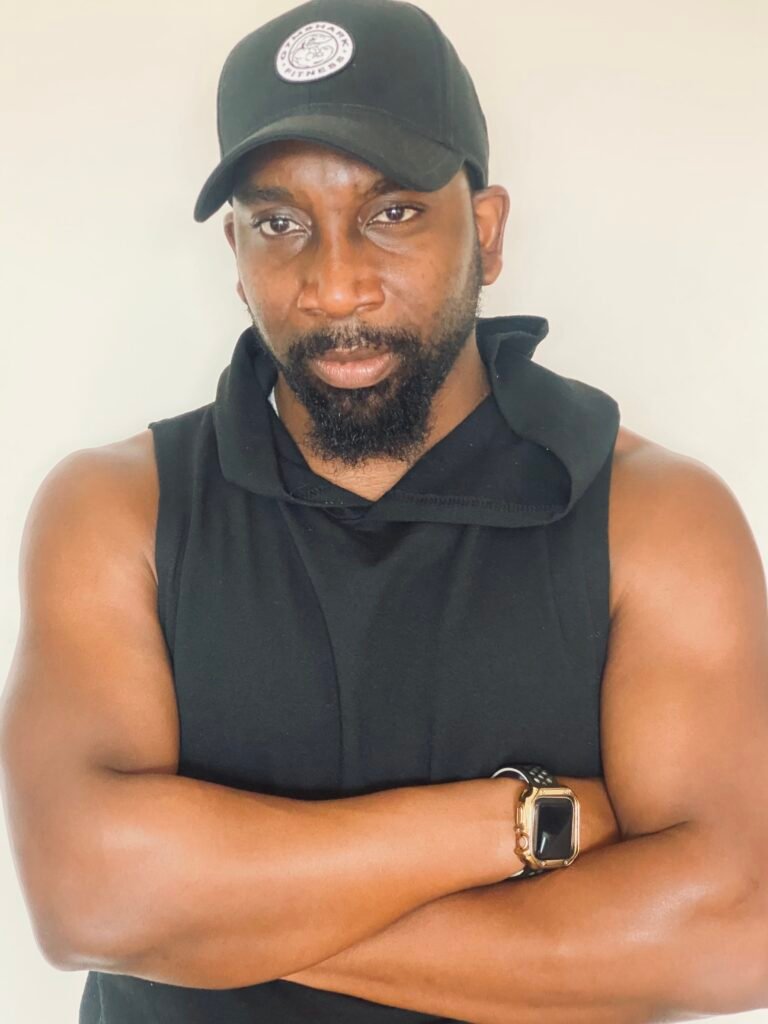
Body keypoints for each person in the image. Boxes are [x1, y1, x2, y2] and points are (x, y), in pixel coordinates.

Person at [1, 0, 767, 1022]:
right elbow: (87, 896)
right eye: (280, 224)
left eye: (392, 212)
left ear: (487, 233)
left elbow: (734, 930)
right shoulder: (116, 510)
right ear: (236, 255)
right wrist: (520, 822)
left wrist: (208, 915)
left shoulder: (653, 519)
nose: (336, 284)